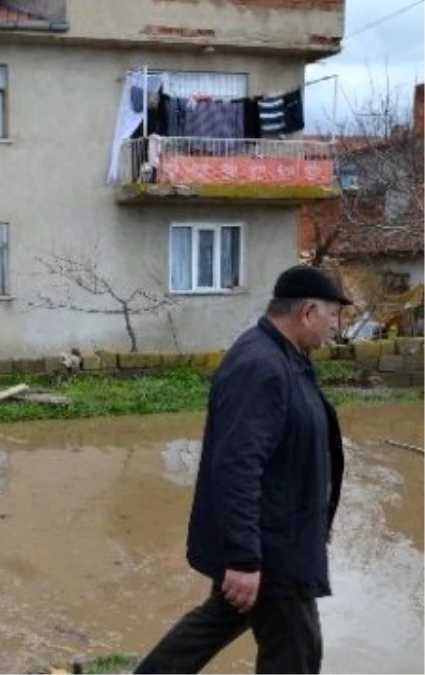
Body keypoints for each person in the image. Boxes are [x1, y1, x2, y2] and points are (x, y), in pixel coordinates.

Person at [135, 265, 350, 675]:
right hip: (272, 548)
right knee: (297, 655)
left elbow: (289, 454)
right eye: (333, 315)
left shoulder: (289, 360)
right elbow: (237, 466)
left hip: (279, 536)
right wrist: (244, 560)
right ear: (307, 312)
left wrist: (318, 517)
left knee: (219, 619)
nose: (335, 326)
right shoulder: (261, 367)